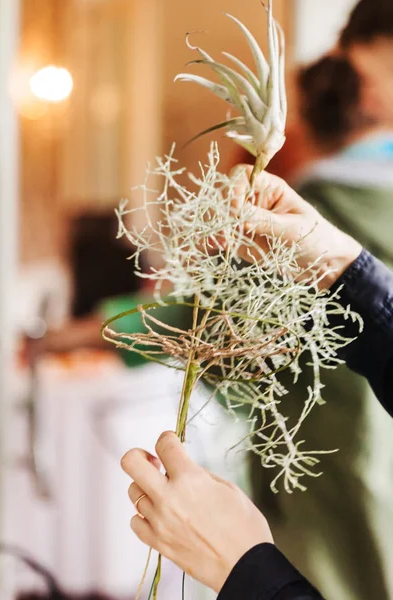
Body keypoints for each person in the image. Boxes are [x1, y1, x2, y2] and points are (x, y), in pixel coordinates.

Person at [121, 168, 393, 600]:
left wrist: (246, 568)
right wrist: (342, 268)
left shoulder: (327, 194)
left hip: (310, 481)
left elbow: (202, 326)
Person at [232, 3, 393, 598]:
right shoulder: (322, 207)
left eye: (374, 75)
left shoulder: (328, 196)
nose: (372, 97)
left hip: (322, 445)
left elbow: (227, 330)